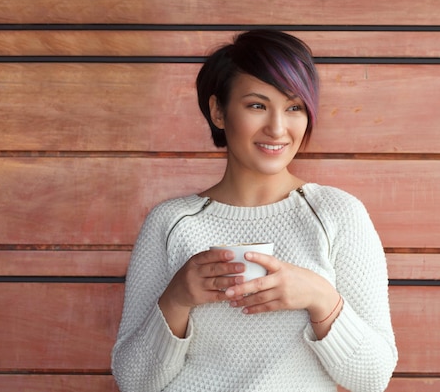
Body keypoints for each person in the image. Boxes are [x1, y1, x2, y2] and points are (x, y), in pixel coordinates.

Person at [111, 30, 398, 392]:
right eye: (257, 105)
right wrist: (176, 299)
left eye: (293, 107)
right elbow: (133, 382)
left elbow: (372, 378)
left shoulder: (338, 215)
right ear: (218, 111)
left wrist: (320, 298)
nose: (278, 129)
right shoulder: (171, 223)